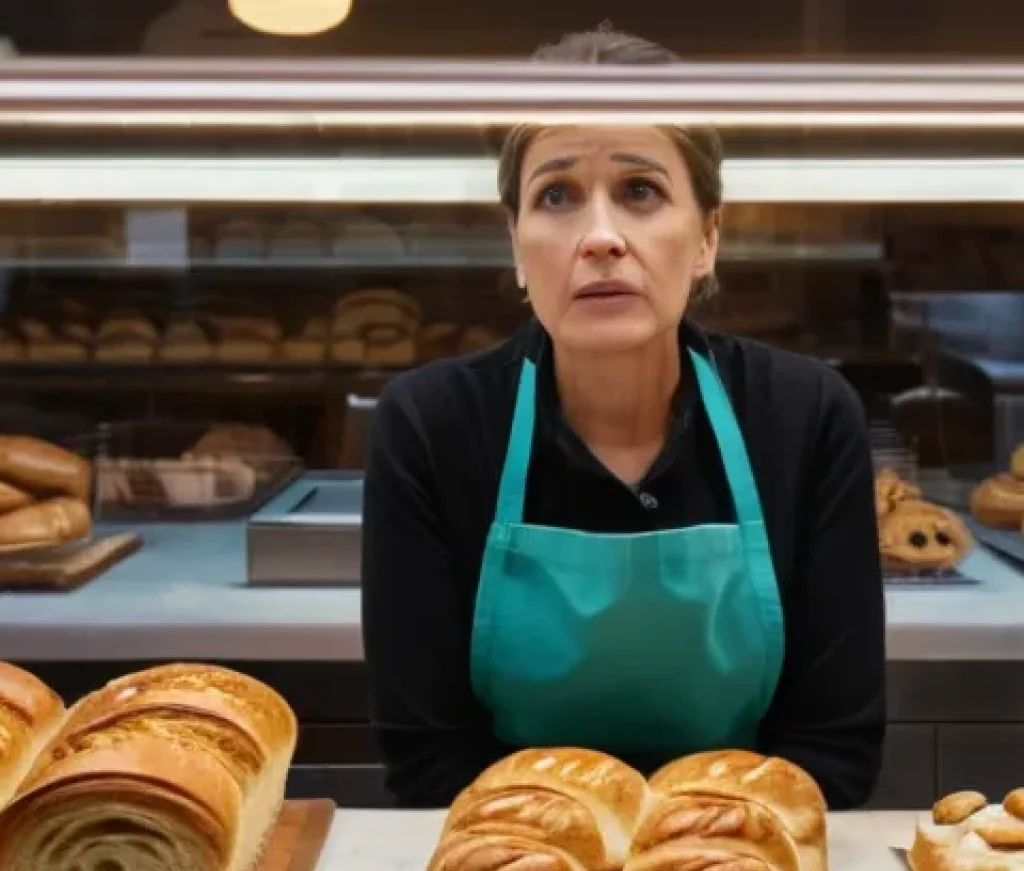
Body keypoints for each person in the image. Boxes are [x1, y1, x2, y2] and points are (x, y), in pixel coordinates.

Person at [362, 25, 886, 811]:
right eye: (556, 195)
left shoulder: (805, 416)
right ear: (515, 243)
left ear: (708, 236)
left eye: (640, 191)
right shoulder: (431, 427)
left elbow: (833, 754)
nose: (601, 237)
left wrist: (688, 866)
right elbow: (429, 763)